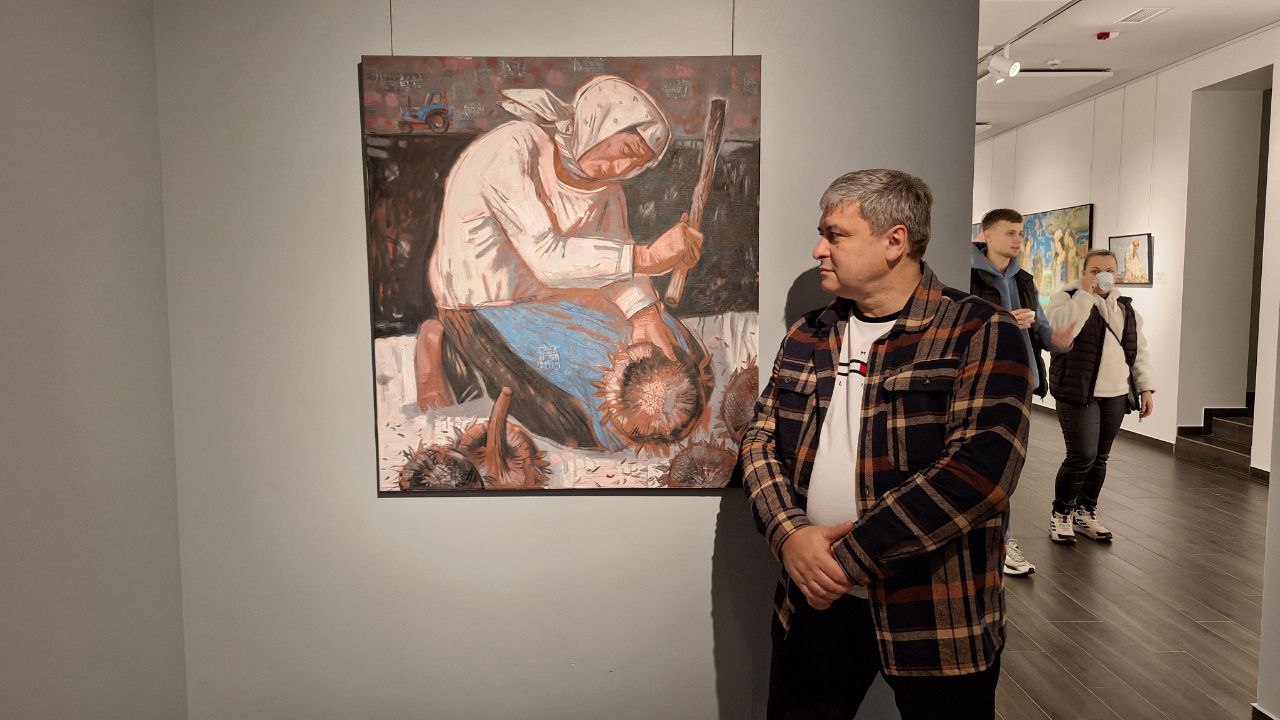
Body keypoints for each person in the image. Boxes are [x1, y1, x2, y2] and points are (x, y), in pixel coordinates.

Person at [740, 169, 1033, 719]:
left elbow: (981, 471)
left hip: (935, 609)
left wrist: (844, 560)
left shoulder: (980, 330)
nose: (818, 250)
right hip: (813, 601)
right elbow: (760, 441)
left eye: (835, 235)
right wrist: (790, 535)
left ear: (895, 241)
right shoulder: (807, 334)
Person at [418, 75, 706, 451]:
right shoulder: (513, 149)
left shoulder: (607, 190)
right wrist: (649, 257)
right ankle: (442, 340)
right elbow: (547, 257)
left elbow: (615, 266)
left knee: (684, 359)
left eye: (637, 163)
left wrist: (644, 314)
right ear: (597, 124)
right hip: (488, 303)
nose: (621, 168)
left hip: (560, 298)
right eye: (624, 150)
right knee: (586, 421)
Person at [971, 208, 1075, 577]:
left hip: (1022, 381)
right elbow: (959, 325)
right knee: (986, 464)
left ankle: (1000, 541)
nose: (1018, 240)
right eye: (1011, 233)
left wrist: (1060, 341)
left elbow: (1042, 329)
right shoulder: (967, 274)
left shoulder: (1025, 279)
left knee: (1008, 466)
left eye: (1020, 233)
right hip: (984, 379)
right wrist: (1004, 321)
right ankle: (997, 542)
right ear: (988, 235)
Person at [1045, 249, 1155, 544]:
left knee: (1100, 458)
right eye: (1095, 270)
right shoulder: (1066, 298)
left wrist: (1145, 388)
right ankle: (1061, 513)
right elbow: (1060, 332)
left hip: (1115, 394)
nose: (1102, 276)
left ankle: (1085, 512)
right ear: (1084, 273)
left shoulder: (1125, 308)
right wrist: (1085, 294)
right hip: (1077, 391)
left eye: (1109, 270)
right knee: (1082, 455)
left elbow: (1138, 351)